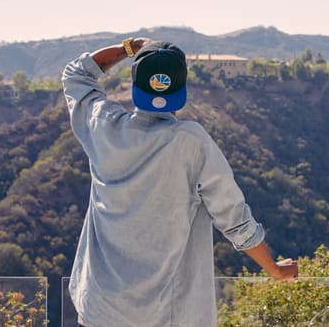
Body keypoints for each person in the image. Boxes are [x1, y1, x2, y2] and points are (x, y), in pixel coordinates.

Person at [62, 37, 297, 327]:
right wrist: (273, 269)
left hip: (101, 309)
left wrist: (129, 48)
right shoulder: (193, 143)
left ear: (135, 88)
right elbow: (236, 221)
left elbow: (76, 73)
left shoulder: (103, 127)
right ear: (181, 91)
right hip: (164, 316)